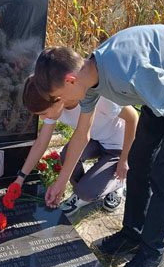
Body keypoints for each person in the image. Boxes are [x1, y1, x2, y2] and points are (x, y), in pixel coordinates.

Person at [33, 24, 164, 267]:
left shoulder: (127, 71)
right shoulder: (89, 80)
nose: (61, 104)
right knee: (140, 160)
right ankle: (132, 233)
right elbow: (82, 135)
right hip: (159, 88)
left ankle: (153, 253)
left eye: (59, 97)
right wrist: (61, 182)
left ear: (70, 80)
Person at [13, 76, 138, 215]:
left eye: (43, 113)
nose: (43, 118)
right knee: (67, 157)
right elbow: (41, 143)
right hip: (95, 140)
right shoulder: (55, 106)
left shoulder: (99, 98)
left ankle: (117, 184)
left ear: (57, 99)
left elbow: (133, 118)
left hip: (120, 146)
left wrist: (125, 159)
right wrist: (20, 178)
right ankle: (86, 190)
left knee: (87, 191)